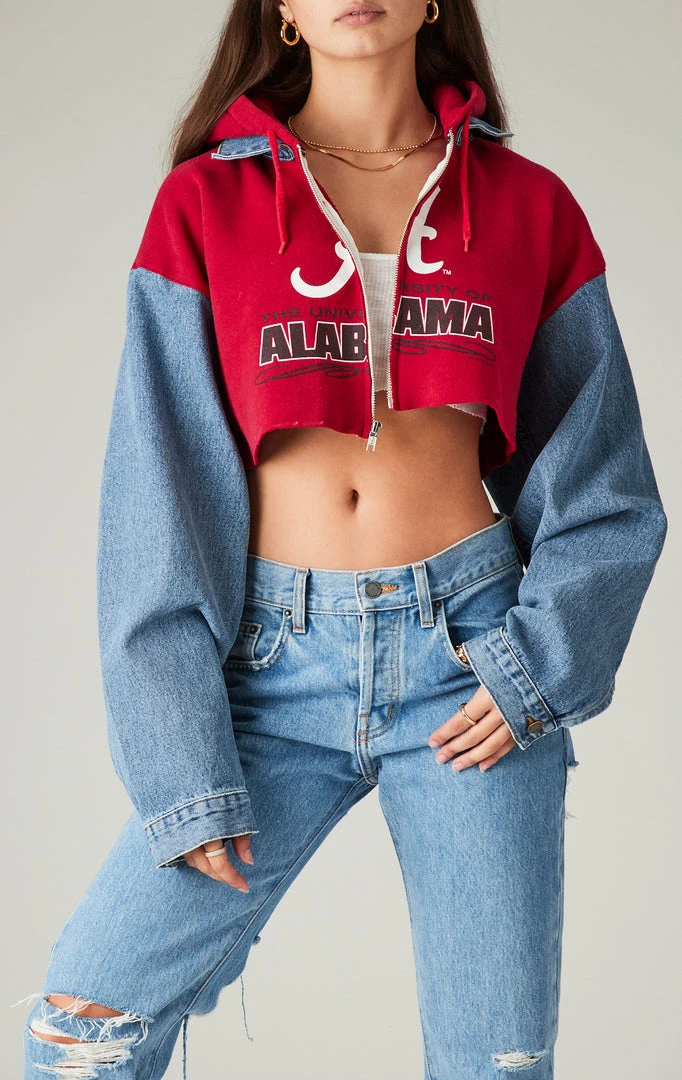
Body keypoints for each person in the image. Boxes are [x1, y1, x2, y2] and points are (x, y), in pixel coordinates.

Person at [18, 2, 667, 1078]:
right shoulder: (204, 204)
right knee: (83, 1031)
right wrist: (177, 757)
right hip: (268, 671)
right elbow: (158, 494)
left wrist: (537, 668)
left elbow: (602, 484)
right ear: (280, 8)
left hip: (467, 660)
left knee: (494, 1066)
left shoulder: (528, 206)